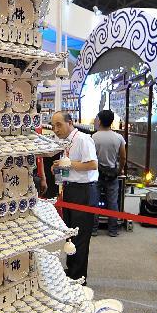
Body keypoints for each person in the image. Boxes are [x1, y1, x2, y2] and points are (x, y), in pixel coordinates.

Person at [51, 111, 98, 283]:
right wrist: (59, 169)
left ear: (70, 123)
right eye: (53, 125)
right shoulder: (65, 141)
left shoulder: (83, 139)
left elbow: (93, 165)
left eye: (59, 125)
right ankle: (72, 269)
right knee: (70, 233)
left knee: (80, 236)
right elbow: (69, 167)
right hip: (70, 189)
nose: (56, 129)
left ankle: (78, 277)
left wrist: (68, 164)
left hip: (83, 191)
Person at [91, 109, 126, 237]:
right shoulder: (118, 137)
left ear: (99, 120)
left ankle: (94, 229)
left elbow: (91, 157)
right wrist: (119, 170)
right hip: (112, 173)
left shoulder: (93, 137)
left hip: (97, 173)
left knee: (94, 201)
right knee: (113, 202)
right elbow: (123, 157)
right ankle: (113, 230)